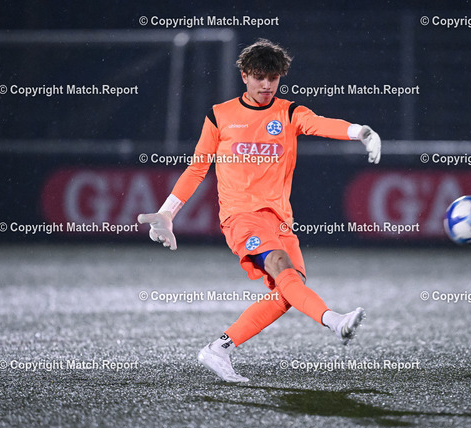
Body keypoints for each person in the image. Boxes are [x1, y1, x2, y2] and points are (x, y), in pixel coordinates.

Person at [138, 38, 381, 383]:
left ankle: (219, 349)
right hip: (240, 217)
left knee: (287, 292)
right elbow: (197, 168)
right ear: (244, 76)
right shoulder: (220, 115)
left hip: (279, 221)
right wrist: (167, 213)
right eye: (259, 77)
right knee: (281, 267)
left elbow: (321, 124)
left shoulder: (289, 112)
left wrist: (359, 132)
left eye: (273, 78)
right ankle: (334, 321)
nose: (266, 85)